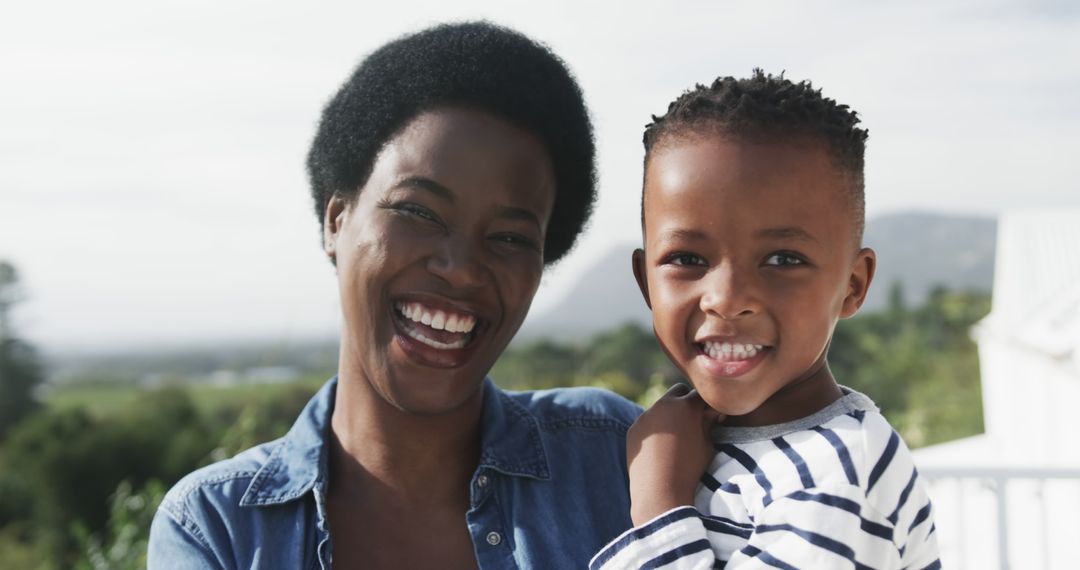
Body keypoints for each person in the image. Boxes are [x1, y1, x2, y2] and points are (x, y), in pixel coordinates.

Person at [147, 22, 641, 569]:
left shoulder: (616, 458)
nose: (461, 270)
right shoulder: (218, 529)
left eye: (509, 238)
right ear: (337, 220)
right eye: (417, 212)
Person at [590, 71, 941, 569]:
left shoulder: (834, 479)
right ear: (646, 283)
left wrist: (659, 504)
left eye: (782, 259)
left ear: (853, 285)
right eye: (688, 258)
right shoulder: (712, 442)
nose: (728, 300)